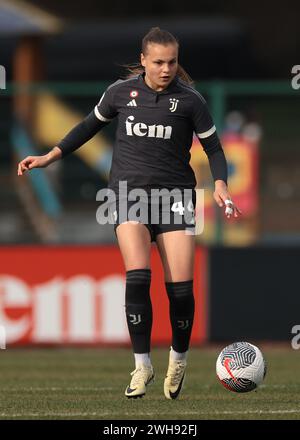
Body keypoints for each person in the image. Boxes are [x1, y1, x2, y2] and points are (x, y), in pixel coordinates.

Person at [17, 27, 241, 400]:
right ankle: (142, 366)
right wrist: (49, 156)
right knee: (137, 278)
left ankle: (178, 359)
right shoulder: (119, 93)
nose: (166, 68)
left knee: (181, 291)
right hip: (127, 196)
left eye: (171, 61)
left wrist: (220, 184)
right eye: (158, 62)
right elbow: (88, 127)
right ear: (143, 61)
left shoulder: (190, 101)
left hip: (176, 198)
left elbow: (214, 148)